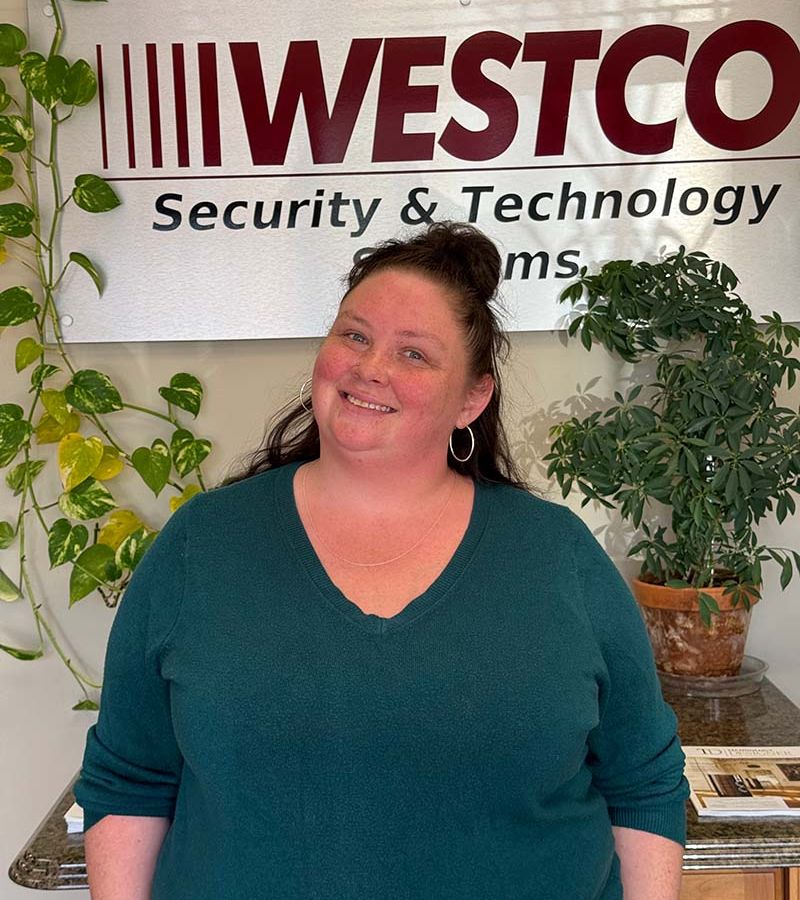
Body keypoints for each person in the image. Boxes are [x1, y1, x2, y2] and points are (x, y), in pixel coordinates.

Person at [75, 221, 689, 900]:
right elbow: (131, 778)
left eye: (415, 355)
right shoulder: (201, 546)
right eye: (355, 335)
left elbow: (642, 780)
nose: (371, 367)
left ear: (472, 400)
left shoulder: (557, 556)